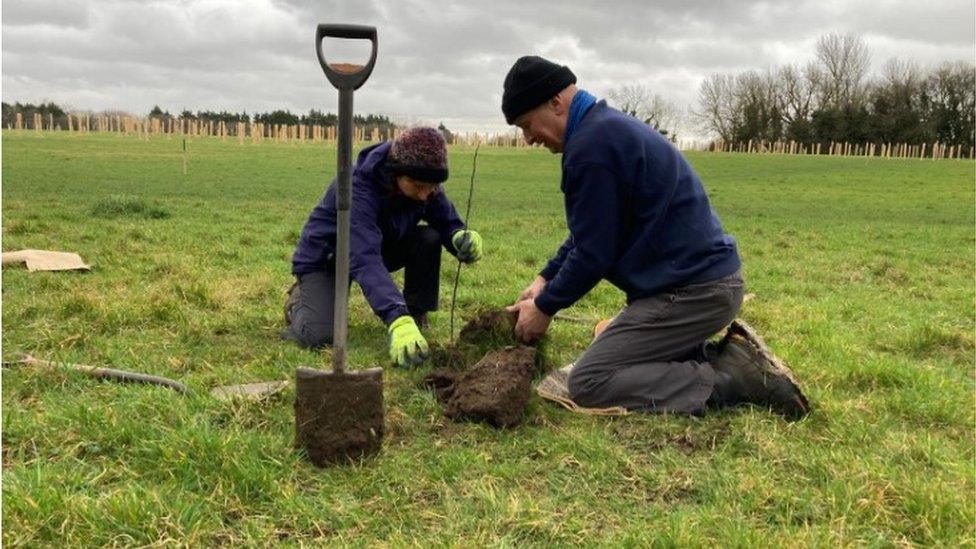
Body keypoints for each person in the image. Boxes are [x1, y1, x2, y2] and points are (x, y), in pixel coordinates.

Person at [501, 56, 808, 418]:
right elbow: (592, 233)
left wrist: (545, 307)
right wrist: (544, 279)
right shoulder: (603, 131)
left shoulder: (592, 148)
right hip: (700, 286)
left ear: (555, 102)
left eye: (527, 124)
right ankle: (727, 357)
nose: (528, 138)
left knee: (590, 381)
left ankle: (732, 380)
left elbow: (593, 253)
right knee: (606, 336)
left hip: (693, 293)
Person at [283, 126, 483, 367]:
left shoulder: (424, 183)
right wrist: (396, 317)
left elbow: (445, 221)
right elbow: (364, 258)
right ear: (396, 174)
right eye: (419, 186)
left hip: (380, 245)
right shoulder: (357, 188)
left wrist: (459, 237)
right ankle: (298, 302)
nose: (424, 195)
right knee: (319, 338)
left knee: (428, 237)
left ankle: (416, 314)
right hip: (328, 257)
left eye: (431, 187)